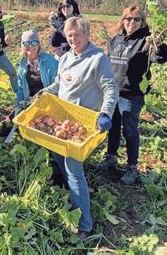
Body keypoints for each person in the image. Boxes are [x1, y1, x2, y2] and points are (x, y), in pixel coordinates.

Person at [41, 16, 118, 237]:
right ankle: (74, 193)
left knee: (74, 168)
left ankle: (85, 223)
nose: (73, 38)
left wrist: (105, 113)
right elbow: (58, 84)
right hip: (62, 120)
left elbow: (110, 88)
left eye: (77, 34)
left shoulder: (97, 58)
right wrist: (43, 93)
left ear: (87, 35)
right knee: (57, 155)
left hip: (82, 124)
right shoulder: (65, 58)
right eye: (70, 35)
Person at [97, 4, 167, 184]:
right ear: (123, 20)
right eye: (128, 18)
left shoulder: (146, 42)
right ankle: (110, 159)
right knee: (112, 128)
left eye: (136, 19)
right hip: (113, 93)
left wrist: (159, 44)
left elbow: (160, 58)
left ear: (142, 22)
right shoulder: (114, 40)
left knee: (129, 131)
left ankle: (131, 167)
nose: (132, 22)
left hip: (132, 95)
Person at [0, 30, 58, 137]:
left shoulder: (49, 61)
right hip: (29, 102)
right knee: (8, 123)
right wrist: (19, 105)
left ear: (38, 44)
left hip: (48, 103)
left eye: (34, 42)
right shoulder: (23, 63)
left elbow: (57, 84)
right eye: (26, 43)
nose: (30, 46)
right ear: (23, 46)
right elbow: (20, 87)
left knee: (44, 128)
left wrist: (43, 98)